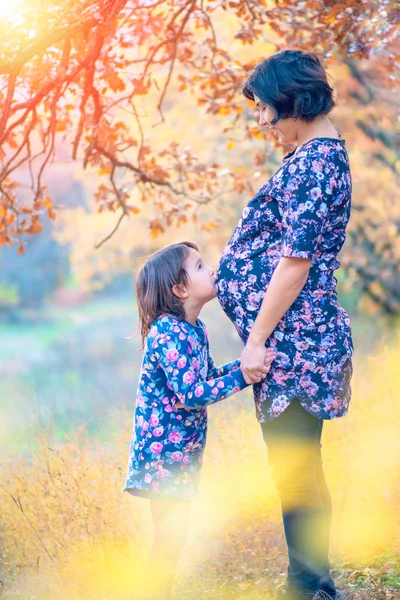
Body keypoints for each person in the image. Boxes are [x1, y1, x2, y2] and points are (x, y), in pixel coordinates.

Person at [217, 50, 354, 600]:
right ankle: (313, 584)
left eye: (266, 109)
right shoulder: (318, 157)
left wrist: (254, 341)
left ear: (292, 101)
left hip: (293, 345)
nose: (263, 121)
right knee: (301, 467)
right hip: (297, 340)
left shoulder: (315, 163)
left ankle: (308, 588)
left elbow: (295, 261)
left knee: (293, 471)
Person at [123, 241, 275, 600]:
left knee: (175, 537)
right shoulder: (166, 333)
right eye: (201, 267)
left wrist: (244, 364)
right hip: (161, 458)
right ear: (180, 288)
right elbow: (192, 394)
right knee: (169, 538)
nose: (211, 270)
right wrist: (244, 376)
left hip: (181, 455)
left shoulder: (195, 329)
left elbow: (205, 378)